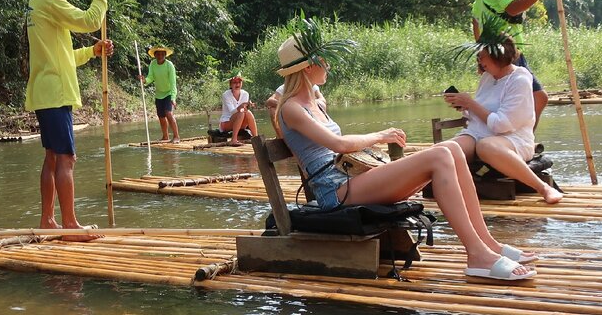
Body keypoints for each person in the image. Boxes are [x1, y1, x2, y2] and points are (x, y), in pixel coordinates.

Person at [275, 18, 536, 282]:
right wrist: (381, 135)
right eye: (323, 59)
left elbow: (325, 124)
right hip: (335, 192)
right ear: (308, 68)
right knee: (441, 154)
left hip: (352, 179)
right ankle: (477, 254)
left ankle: (488, 244)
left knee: (452, 150)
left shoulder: (317, 101)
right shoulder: (292, 109)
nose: (328, 65)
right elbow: (338, 145)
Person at [26, 0, 114, 240]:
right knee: (66, 158)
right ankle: (70, 225)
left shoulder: (38, 5)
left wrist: (93, 50)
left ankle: (48, 220)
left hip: (45, 91)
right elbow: (91, 20)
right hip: (54, 93)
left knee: (52, 156)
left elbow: (63, 57)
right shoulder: (49, 0)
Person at [445, 27, 564, 204]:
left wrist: (471, 103)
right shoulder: (487, 77)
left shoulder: (520, 79)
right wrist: (465, 107)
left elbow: (502, 125)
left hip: (512, 138)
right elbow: (480, 112)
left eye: (483, 55)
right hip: (478, 133)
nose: (480, 60)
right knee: (445, 151)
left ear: (497, 56)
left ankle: (543, 188)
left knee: (486, 146)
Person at [141, 45, 180, 142]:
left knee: (168, 113)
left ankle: (176, 136)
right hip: (159, 94)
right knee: (161, 116)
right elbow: (151, 77)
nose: (160, 56)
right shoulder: (153, 64)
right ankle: (165, 136)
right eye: (158, 54)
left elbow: (173, 82)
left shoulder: (169, 65)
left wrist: (173, 97)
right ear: (155, 55)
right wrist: (144, 80)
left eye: (162, 54)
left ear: (165, 55)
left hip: (169, 93)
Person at [220, 75, 258, 145]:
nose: (237, 84)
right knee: (241, 112)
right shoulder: (226, 95)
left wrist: (248, 105)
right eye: (234, 82)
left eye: (239, 82)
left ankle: (256, 137)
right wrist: (240, 106)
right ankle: (234, 140)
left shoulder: (245, 94)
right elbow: (232, 112)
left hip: (241, 122)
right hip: (227, 123)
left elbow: (245, 110)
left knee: (248, 113)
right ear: (231, 84)